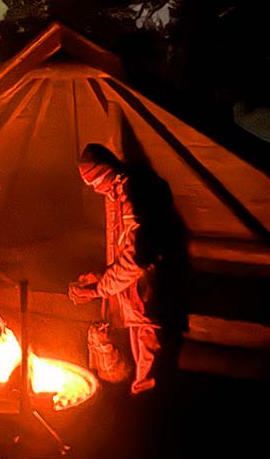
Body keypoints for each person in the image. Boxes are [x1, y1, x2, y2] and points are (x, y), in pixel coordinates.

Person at [68, 142, 190, 397]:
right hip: (138, 302)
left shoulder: (135, 193)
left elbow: (138, 258)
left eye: (95, 182)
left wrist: (100, 288)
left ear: (106, 172)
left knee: (153, 376)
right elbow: (124, 248)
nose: (94, 189)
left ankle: (151, 423)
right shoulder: (117, 193)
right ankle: (143, 412)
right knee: (144, 369)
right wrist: (101, 276)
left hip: (152, 300)